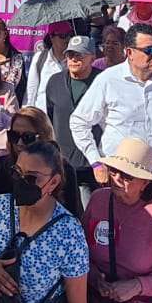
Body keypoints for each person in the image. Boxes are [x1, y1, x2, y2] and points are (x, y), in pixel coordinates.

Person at [0, 140, 89, 303]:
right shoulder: (1, 205)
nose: (21, 181)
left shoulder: (69, 232)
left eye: (31, 177)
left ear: (53, 182)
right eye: (17, 173)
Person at [69, 23, 152, 189]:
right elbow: (79, 122)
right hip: (118, 174)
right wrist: (96, 162)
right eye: (148, 50)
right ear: (129, 52)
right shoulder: (108, 80)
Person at [81, 137, 152, 303]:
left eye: (127, 176)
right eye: (114, 171)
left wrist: (137, 286)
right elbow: (80, 251)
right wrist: (95, 278)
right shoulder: (98, 200)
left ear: (145, 182)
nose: (116, 179)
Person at [0, 107, 82, 216]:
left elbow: (74, 215)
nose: (19, 143)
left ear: (44, 137)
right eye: (14, 136)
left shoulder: (64, 170)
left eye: (28, 137)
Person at [45, 36, 102, 205]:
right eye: (70, 55)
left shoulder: (103, 81)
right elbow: (50, 116)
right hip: (63, 165)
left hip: (93, 165)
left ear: (92, 57)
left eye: (79, 55)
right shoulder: (54, 81)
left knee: (90, 215)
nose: (73, 60)